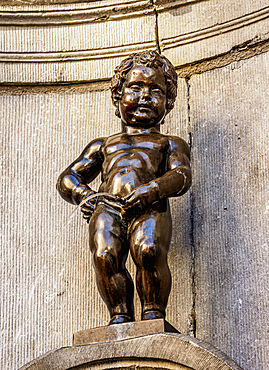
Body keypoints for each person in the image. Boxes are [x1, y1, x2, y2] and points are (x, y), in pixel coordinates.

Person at [57, 50, 191, 325]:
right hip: (108, 206)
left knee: (149, 250)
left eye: (156, 91)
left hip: (150, 204)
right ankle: (119, 315)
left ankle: (153, 313)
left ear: (168, 103)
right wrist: (86, 195)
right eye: (136, 87)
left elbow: (181, 175)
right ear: (118, 95)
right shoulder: (104, 145)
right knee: (105, 255)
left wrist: (151, 191)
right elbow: (68, 177)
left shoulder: (168, 143)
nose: (145, 96)